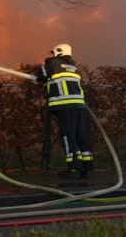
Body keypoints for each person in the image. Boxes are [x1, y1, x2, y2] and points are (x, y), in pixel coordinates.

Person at [34, 43, 94, 179]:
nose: (51, 56)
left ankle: (74, 169)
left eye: (53, 53)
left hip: (65, 106)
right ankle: (87, 167)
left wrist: (47, 63)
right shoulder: (73, 66)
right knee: (81, 136)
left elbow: (40, 74)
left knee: (68, 136)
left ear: (59, 53)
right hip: (79, 105)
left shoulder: (53, 63)